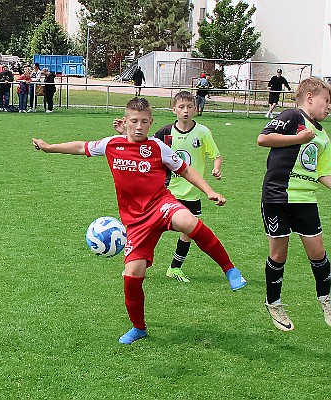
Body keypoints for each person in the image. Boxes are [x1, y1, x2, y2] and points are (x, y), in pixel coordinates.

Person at [33, 97, 243, 345]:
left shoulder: (157, 147)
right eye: (134, 121)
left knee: (188, 221)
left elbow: (185, 169)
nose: (139, 127)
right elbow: (81, 147)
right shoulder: (112, 145)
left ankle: (230, 269)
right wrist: (49, 147)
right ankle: (139, 327)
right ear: (125, 122)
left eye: (145, 122)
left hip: (160, 204)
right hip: (134, 223)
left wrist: (209, 191)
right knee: (132, 275)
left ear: (151, 122)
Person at [114, 91, 246, 289]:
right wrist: (124, 135)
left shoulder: (202, 132)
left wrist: (211, 182)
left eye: (189, 107)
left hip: (190, 192)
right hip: (164, 194)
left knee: (189, 228)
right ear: (173, 109)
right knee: (150, 234)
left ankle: (177, 267)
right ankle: (137, 262)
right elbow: (141, 145)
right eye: (181, 107)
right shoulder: (165, 133)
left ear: (195, 109)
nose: (185, 111)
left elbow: (202, 161)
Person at [257, 77, 331, 332]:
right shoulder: (291, 116)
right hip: (277, 196)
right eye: (326, 100)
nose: (329, 106)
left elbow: (323, 173)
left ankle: (326, 300)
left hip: (306, 200)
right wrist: (298, 139)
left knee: (318, 253)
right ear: (310, 97)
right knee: (279, 254)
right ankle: (273, 302)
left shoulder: (323, 135)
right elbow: (263, 139)